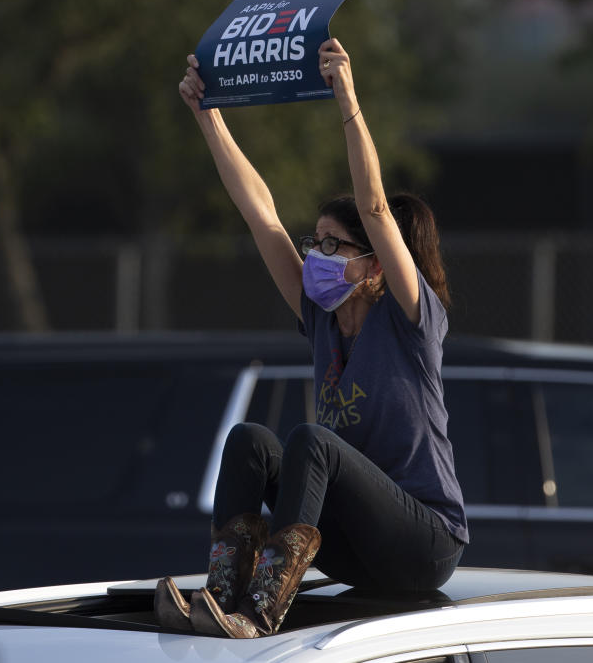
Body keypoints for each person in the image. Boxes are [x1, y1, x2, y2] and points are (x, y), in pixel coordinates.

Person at [155, 38, 468, 639]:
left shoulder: (409, 318)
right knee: (250, 440)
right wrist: (208, 114)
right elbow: (262, 216)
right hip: (357, 551)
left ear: (373, 264)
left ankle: (264, 609)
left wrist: (346, 97)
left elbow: (375, 208)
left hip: (424, 544)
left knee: (312, 441)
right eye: (314, 242)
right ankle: (225, 592)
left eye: (332, 246)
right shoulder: (322, 317)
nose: (316, 257)